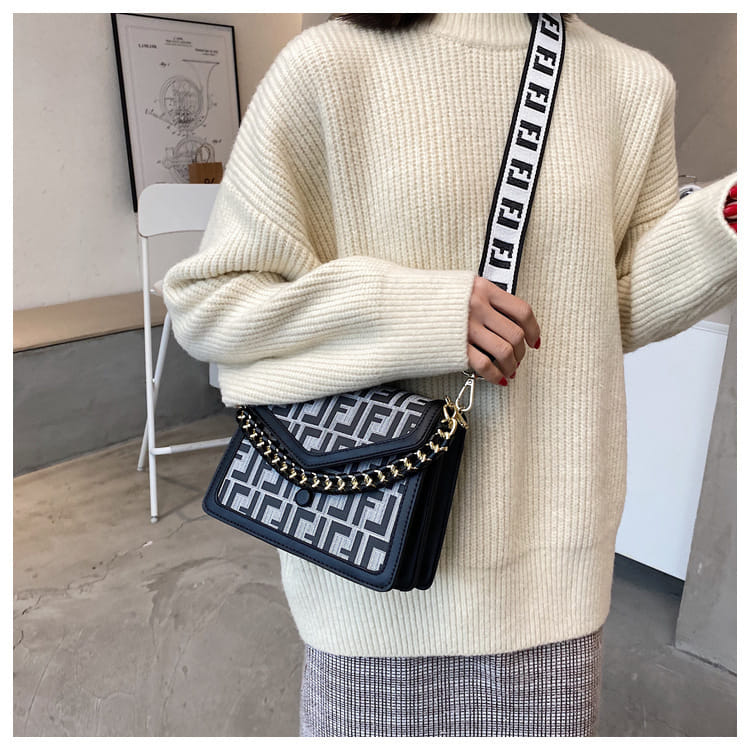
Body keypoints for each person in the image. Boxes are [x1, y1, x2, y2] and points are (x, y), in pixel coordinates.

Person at [161, 12, 737, 737]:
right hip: (369, 578)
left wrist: (727, 222)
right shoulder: (329, 66)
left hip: (550, 583)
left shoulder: (633, 85)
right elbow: (213, 306)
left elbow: (602, 310)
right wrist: (424, 315)